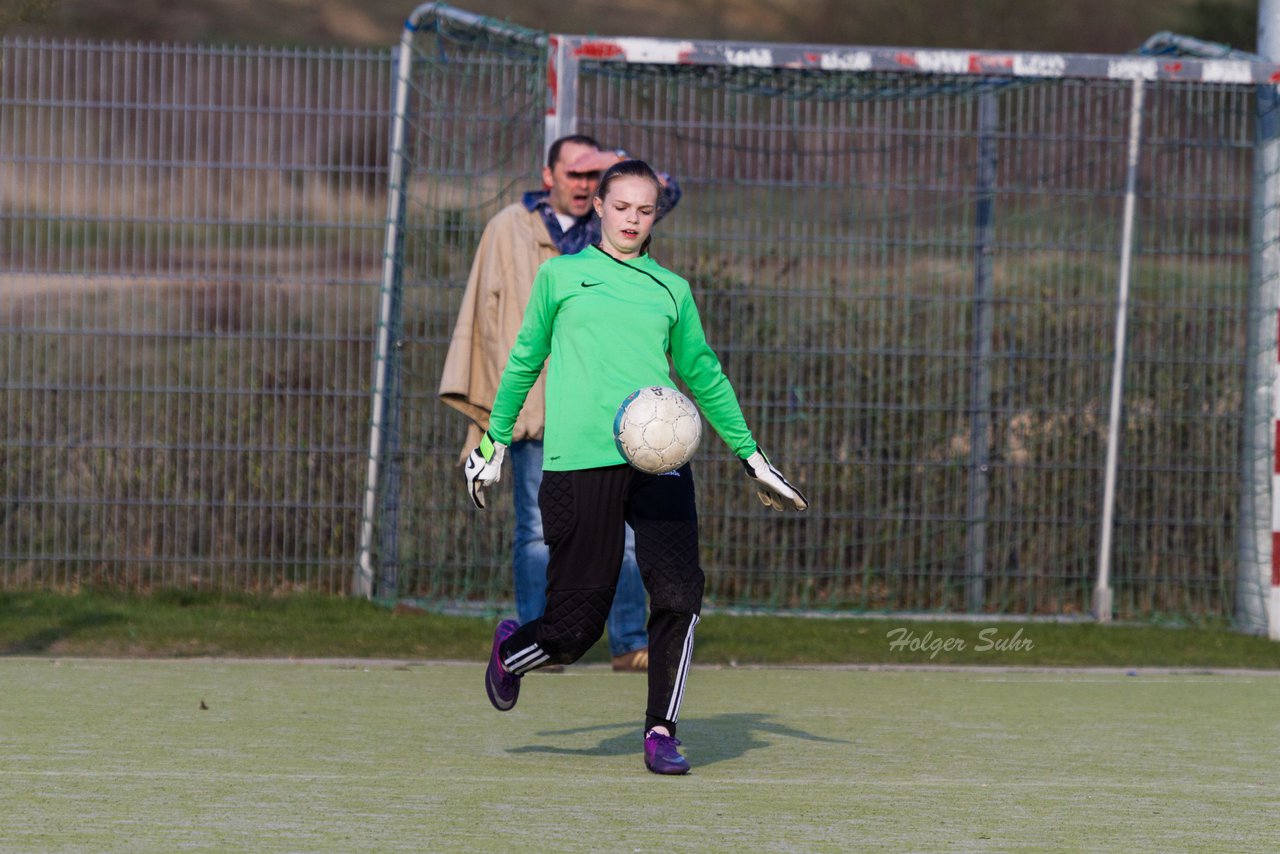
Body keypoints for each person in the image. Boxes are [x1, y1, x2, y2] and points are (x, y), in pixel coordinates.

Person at [464, 160, 808, 775]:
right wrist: (492, 443)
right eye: (621, 207)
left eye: (644, 210)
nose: (632, 219)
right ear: (599, 207)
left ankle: (660, 731)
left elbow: (703, 374)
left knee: (678, 593)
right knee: (574, 630)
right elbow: (522, 363)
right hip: (580, 464)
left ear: (655, 215)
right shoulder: (561, 276)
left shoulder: (671, 289)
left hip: (663, 460)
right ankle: (511, 650)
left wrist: (753, 456)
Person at [440, 135, 680, 671]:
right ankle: (539, 639)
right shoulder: (511, 227)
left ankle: (628, 642)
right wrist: (495, 416)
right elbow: (488, 311)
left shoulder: (613, 224)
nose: (583, 183)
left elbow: (661, 191)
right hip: (536, 411)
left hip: (608, 418)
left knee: (628, 540)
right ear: (548, 177)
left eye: (593, 175)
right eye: (573, 172)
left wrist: (616, 161)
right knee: (537, 534)